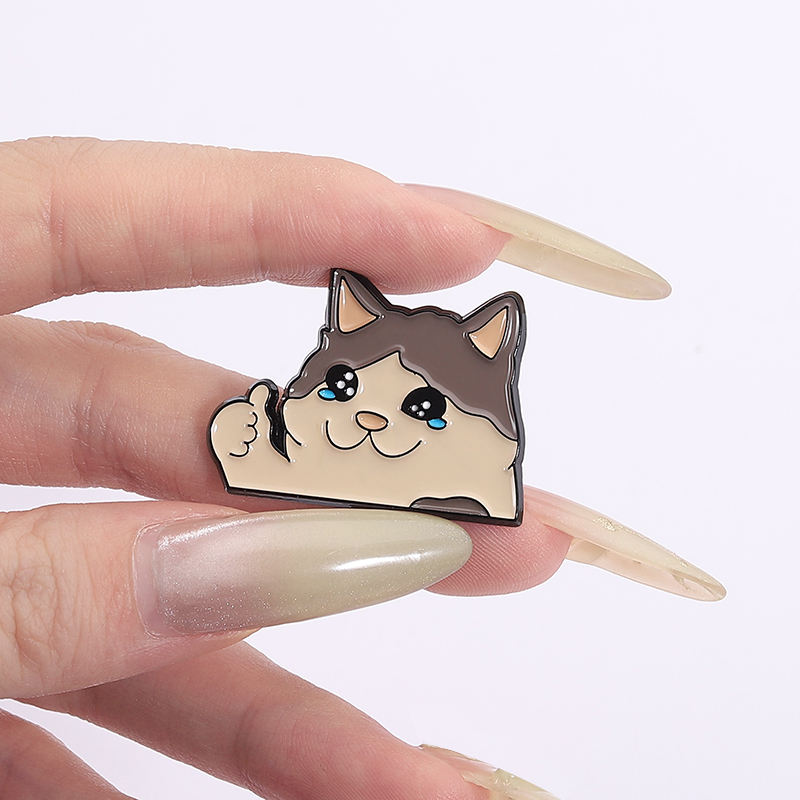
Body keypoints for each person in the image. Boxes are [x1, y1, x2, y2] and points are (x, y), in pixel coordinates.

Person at [0, 137, 573, 799]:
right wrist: (256, 452)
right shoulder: (295, 442)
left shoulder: (479, 472)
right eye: (344, 388)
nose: (369, 418)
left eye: (421, 406)